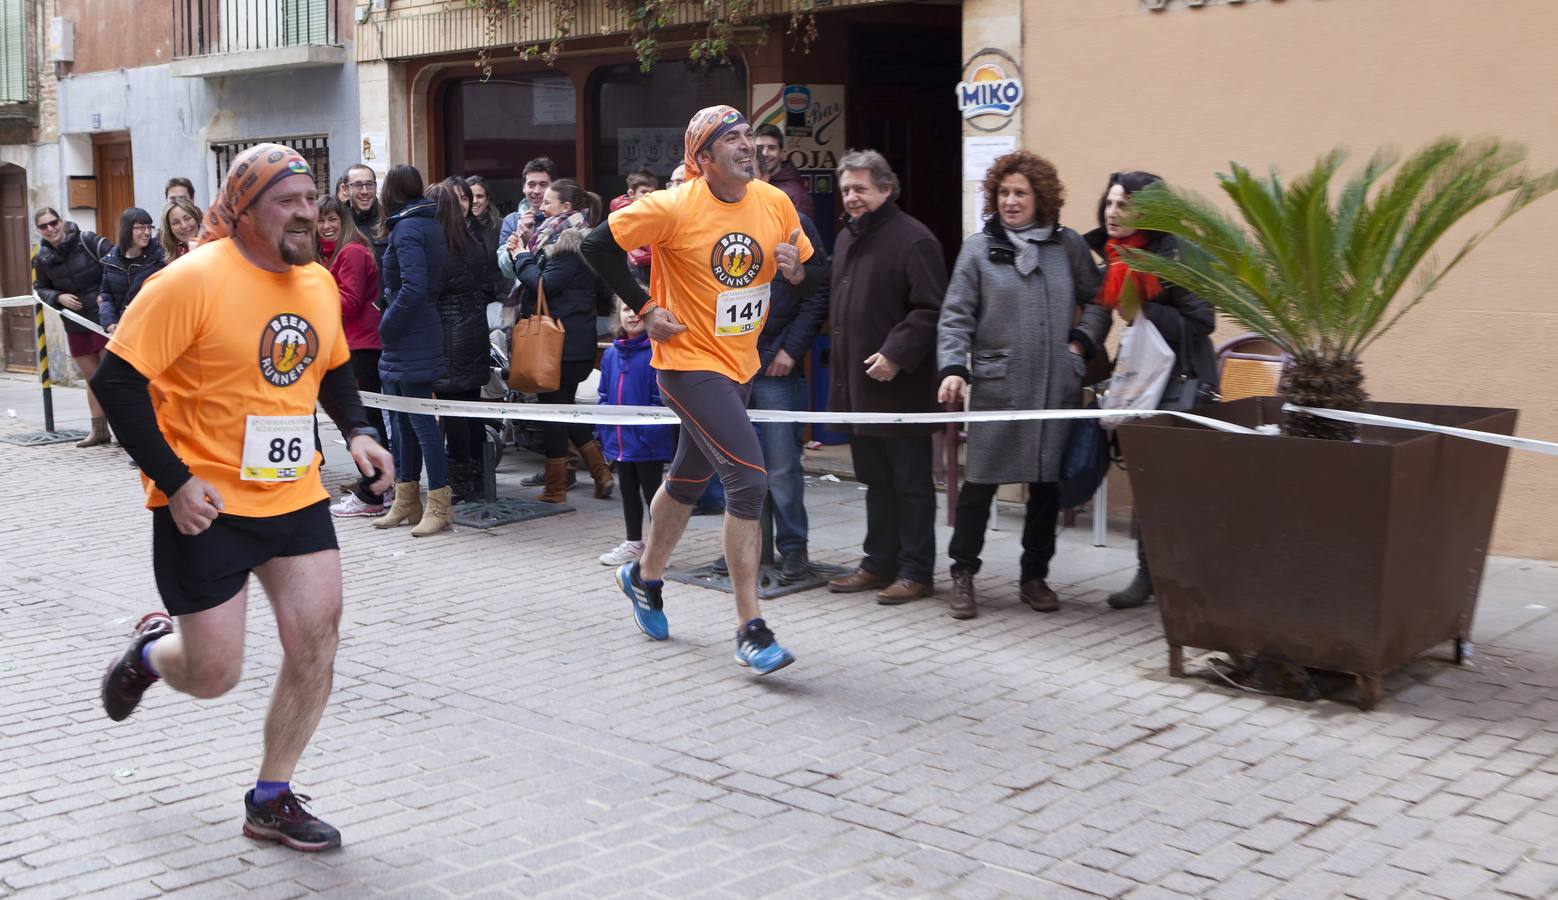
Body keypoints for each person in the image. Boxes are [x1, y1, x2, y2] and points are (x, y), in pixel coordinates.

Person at [91, 142, 393, 852]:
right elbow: (115, 382)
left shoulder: (316, 282)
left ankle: (272, 796)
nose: (306, 212)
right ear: (245, 211)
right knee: (213, 673)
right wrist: (175, 480)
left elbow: (332, 367)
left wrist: (357, 431)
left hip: (294, 497)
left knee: (317, 638)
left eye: (310, 198)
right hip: (206, 506)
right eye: (287, 202)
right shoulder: (189, 281)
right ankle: (148, 656)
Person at [582, 104, 825, 674]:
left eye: (749, 137)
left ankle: (643, 577)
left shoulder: (776, 203)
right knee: (748, 480)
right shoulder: (673, 206)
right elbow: (595, 245)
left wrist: (796, 271)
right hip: (687, 363)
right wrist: (645, 305)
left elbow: (817, 273)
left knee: (689, 479)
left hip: (741, 364)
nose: (748, 146)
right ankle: (750, 627)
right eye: (732, 139)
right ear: (705, 157)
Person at [937, 151, 1111, 619]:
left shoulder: (1067, 245)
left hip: (1056, 388)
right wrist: (953, 368)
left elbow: (1100, 298)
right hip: (999, 387)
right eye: (1004, 193)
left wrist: (1081, 343)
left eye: (1021, 193)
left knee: (1045, 488)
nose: (1011, 202)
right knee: (979, 485)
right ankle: (963, 574)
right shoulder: (977, 248)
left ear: (1040, 199)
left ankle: (1035, 577)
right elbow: (956, 317)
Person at [1086, 170, 1216, 611]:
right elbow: (1112, 313)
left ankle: (1189, 581)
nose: (1112, 212)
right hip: (1146, 378)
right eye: (1109, 203)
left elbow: (1203, 322)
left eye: (1124, 205)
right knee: (1147, 479)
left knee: (1181, 486)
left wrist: (1143, 309)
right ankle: (1148, 575)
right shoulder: (1118, 256)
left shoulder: (1178, 255)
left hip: (1183, 381)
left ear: (1150, 212)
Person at [824, 150, 947, 604]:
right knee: (875, 478)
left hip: (901, 390)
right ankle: (879, 562)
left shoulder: (914, 240)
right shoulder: (846, 238)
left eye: (860, 188)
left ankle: (916, 571)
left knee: (911, 484)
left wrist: (897, 352)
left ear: (885, 189)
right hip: (859, 389)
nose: (852, 197)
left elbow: (932, 309)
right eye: (846, 190)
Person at [511, 178, 614, 503]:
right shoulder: (557, 238)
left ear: (566, 209)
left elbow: (543, 284)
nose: (541, 207)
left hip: (561, 345)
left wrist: (519, 257)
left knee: (552, 414)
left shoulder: (570, 243)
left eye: (548, 203)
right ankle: (601, 473)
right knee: (564, 410)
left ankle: (556, 488)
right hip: (570, 341)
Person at [749, 209, 829, 583]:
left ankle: (794, 548)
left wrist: (792, 350)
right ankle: (745, 547)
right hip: (729, 366)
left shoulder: (792, 221)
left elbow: (817, 288)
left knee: (782, 466)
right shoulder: (712, 217)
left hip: (775, 366)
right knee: (736, 467)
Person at [371, 164, 452, 537]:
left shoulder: (407, 228)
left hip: (410, 335)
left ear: (391, 191)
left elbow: (413, 287)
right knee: (402, 423)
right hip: (410, 334)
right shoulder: (420, 222)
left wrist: (387, 325)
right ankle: (406, 499)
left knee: (420, 424)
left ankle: (438, 503)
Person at [316, 195, 388, 518]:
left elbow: (350, 302)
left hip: (361, 346)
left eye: (333, 219)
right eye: (321, 221)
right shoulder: (334, 256)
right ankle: (374, 487)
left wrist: (313, 288)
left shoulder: (352, 252)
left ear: (343, 221)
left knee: (364, 422)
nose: (327, 226)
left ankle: (374, 493)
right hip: (351, 344)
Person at [426, 181, 494, 503]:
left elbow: (430, 293)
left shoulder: (439, 249)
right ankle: (479, 478)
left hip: (450, 334)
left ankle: (461, 481)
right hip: (474, 331)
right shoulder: (472, 242)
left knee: (454, 412)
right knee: (471, 407)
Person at [596, 300, 676, 566]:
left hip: (647, 441)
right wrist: (605, 431)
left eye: (636, 309)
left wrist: (647, 434)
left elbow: (659, 398)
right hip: (620, 440)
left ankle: (658, 547)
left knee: (653, 495)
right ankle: (633, 542)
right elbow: (604, 395)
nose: (631, 315)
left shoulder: (657, 351)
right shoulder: (611, 354)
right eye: (625, 310)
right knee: (628, 491)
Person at [32, 208, 115, 447]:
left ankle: (125, 432)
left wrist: (105, 294)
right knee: (93, 380)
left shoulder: (88, 240)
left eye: (53, 223)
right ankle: (99, 431)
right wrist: (58, 297)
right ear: (39, 230)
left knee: (111, 377)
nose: (50, 229)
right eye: (44, 226)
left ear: (62, 221)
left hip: (102, 320)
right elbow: (40, 288)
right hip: (75, 324)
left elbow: (116, 266)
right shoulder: (42, 258)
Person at [98, 207, 168, 333]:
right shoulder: (111, 260)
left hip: (154, 329)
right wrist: (109, 323)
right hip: (125, 331)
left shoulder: (159, 256)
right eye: (141, 227)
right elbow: (106, 295)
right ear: (127, 229)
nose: (147, 232)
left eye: (149, 227)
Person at [497, 157, 556, 283]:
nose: (537, 191)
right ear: (523, 187)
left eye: (543, 185)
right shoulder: (511, 221)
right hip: (523, 296)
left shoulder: (562, 219)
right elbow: (506, 271)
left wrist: (531, 241)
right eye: (531, 184)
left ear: (553, 187)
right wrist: (518, 241)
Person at [752, 123, 815, 219]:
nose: (765, 153)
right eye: (760, 148)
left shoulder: (796, 194)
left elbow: (801, 230)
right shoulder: (749, 183)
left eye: (771, 148)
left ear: (781, 153)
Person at [465, 174, 506, 305]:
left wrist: (503, 298)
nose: (475, 201)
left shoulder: (501, 226)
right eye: (470, 197)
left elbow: (509, 267)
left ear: (487, 200)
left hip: (498, 300)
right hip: (468, 303)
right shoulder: (457, 228)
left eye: (480, 196)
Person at [344, 163, 388, 271]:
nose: (364, 191)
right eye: (358, 185)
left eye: (369, 184)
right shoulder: (339, 223)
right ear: (345, 189)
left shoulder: (389, 221)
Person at [159, 196, 203, 260]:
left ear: (196, 218)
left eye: (187, 218)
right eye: (176, 222)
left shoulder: (215, 245)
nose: (184, 226)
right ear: (170, 229)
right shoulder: (171, 258)